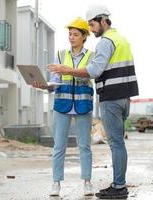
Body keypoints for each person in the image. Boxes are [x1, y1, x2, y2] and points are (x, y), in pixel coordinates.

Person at [48, 5, 139, 199]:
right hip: (121, 96)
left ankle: (118, 186)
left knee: (113, 143)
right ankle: (117, 184)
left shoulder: (105, 42)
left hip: (106, 99)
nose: (92, 29)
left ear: (103, 21)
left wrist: (68, 71)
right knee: (115, 142)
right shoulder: (121, 39)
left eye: (92, 24)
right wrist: (46, 84)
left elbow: (95, 71)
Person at [32, 17, 94, 197]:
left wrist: (69, 70)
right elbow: (56, 82)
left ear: (84, 37)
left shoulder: (91, 56)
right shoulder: (60, 54)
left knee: (85, 146)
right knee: (59, 146)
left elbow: (89, 75)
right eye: (70, 34)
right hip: (62, 105)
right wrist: (45, 86)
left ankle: (87, 182)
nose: (71, 37)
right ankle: (56, 183)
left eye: (75, 34)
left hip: (83, 105)